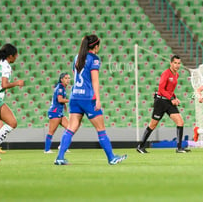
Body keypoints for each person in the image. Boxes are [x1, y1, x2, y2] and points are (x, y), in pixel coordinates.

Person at [54, 34, 127, 165]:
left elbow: (75, 76)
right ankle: (111, 158)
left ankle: (59, 157)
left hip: (74, 96)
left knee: (71, 128)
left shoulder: (77, 57)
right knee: (101, 129)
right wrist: (98, 99)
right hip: (88, 98)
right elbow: (95, 80)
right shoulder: (94, 59)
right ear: (96, 46)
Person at [137, 55, 190, 154]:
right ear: (171, 63)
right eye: (175, 63)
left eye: (179, 63)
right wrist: (171, 98)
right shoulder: (165, 74)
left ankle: (179, 148)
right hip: (160, 101)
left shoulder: (176, 75)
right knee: (153, 124)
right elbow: (161, 89)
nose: (177, 65)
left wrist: (174, 97)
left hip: (168, 101)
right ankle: (140, 146)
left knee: (180, 122)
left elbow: (170, 90)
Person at [44, 72, 70, 154]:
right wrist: (70, 101)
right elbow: (60, 100)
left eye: (69, 78)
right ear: (61, 79)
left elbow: (61, 100)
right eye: (66, 78)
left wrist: (65, 106)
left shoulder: (62, 87)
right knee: (51, 131)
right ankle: (47, 149)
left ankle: (62, 146)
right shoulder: (60, 88)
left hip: (60, 112)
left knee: (69, 128)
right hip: (54, 112)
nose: (68, 80)